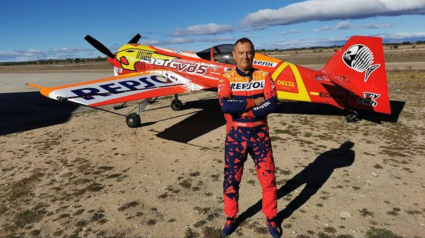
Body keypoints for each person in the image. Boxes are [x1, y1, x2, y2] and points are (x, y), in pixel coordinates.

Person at [218, 37, 280, 238]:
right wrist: (255, 101)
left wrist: (245, 112)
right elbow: (226, 106)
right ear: (234, 55)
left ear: (253, 53)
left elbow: (271, 104)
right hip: (235, 139)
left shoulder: (265, 76)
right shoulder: (226, 78)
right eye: (241, 53)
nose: (245, 56)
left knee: (268, 180)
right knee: (231, 180)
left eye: (249, 52)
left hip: (260, 137)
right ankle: (231, 217)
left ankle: (271, 217)